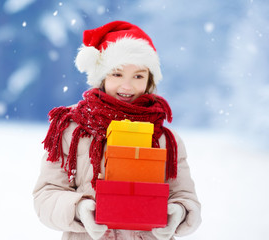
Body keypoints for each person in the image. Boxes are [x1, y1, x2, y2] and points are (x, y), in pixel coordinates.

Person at [33, 21, 201, 240]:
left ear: (150, 80)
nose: (127, 87)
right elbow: (46, 195)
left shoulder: (165, 139)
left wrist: (179, 213)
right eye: (117, 74)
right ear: (102, 76)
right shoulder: (72, 129)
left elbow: (186, 198)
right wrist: (79, 210)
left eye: (138, 76)